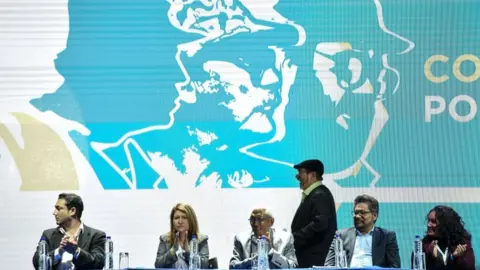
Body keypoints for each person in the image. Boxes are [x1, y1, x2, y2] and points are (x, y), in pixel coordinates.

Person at [32, 193, 106, 270]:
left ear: (72, 211)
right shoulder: (48, 235)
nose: (54, 213)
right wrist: (59, 251)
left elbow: (98, 263)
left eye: (59, 208)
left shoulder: (96, 236)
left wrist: (76, 250)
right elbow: (37, 262)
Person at [325, 194, 401, 268]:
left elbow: (394, 267)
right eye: (356, 212)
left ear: (374, 215)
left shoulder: (387, 236)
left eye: (363, 212)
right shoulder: (341, 235)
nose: (357, 216)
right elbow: (329, 265)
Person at [290, 159, 337, 267]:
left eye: (300, 172)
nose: (297, 177)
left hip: (315, 259)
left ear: (313, 175)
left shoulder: (320, 194)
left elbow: (320, 223)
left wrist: (295, 237)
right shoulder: (315, 194)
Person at [230, 208, 297, 269]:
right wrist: (250, 262)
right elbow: (232, 266)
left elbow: (293, 266)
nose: (255, 224)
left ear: (271, 221)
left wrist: (272, 253)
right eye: (252, 219)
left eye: (260, 219)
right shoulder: (241, 239)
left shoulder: (285, 238)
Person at [414, 205, 475, 270]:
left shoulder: (462, 245)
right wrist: (431, 255)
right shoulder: (425, 244)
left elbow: (469, 267)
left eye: (433, 221)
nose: (428, 224)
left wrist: (454, 258)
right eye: (428, 220)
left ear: (445, 225)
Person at [154, 203, 210, 268]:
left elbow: (205, 266)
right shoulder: (165, 239)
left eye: (184, 217)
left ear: (191, 220)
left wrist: (188, 253)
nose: (180, 221)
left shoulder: (201, 240)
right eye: (176, 218)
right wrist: (173, 251)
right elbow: (158, 265)